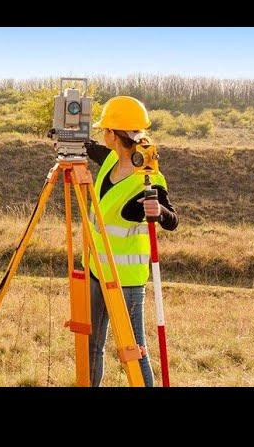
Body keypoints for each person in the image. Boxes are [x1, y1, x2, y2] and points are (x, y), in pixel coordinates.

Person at [83, 95, 179, 387]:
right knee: (91, 345)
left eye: (105, 130)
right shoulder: (112, 157)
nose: (102, 135)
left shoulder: (148, 178)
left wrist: (159, 211)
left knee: (133, 352)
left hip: (126, 281)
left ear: (114, 134)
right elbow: (94, 150)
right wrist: (69, 139)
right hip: (98, 270)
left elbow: (173, 220)